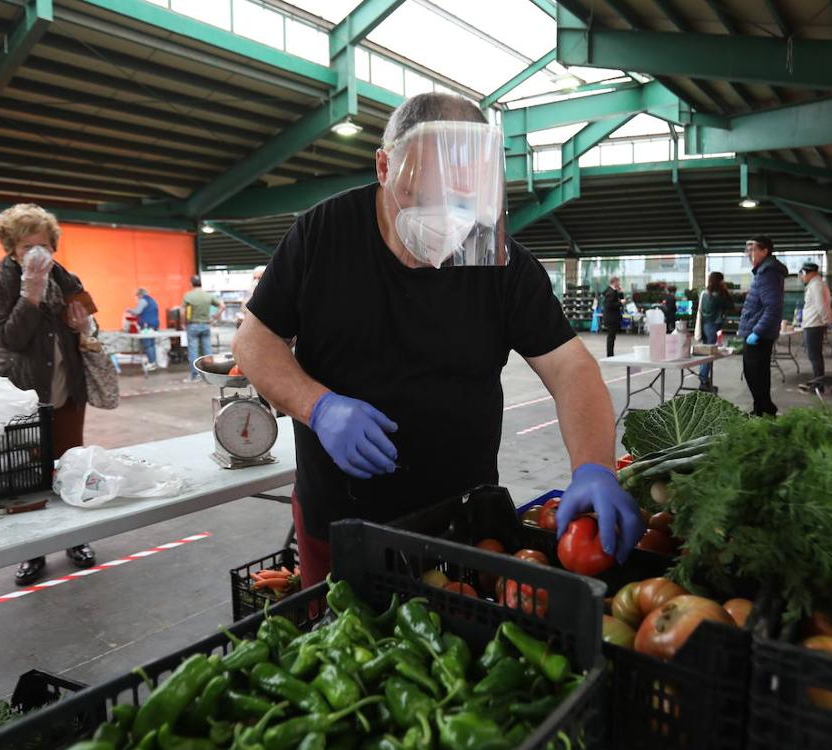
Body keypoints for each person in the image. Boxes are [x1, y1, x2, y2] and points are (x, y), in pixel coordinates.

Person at [234, 92, 644, 587]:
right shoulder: (324, 233)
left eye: (462, 200)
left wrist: (594, 467)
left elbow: (569, 366)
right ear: (385, 166)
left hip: (461, 521)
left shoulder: (498, 259)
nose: (447, 219)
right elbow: (254, 340)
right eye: (425, 195)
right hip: (340, 515)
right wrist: (318, 407)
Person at [0, 203, 97, 585]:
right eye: (27, 246)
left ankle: (76, 539)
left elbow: (91, 322)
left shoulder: (67, 280)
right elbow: (9, 338)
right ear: (12, 250)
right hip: (24, 397)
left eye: (43, 245)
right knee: (29, 475)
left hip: (67, 390)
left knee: (71, 466)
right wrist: (29, 294)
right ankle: (32, 552)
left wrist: (85, 328)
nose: (37, 253)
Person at [737, 235, 788, 417]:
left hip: (759, 335)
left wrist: (757, 332)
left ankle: (764, 412)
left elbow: (773, 307)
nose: (749, 253)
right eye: (748, 249)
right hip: (758, 333)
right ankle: (762, 410)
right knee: (757, 375)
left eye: (753, 249)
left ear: (765, 251)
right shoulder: (765, 271)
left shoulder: (767, 272)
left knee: (756, 375)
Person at [797, 262, 832, 392]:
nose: (802, 278)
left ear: (809, 273)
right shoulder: (817, 284)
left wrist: (826, 320)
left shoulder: (816, 285)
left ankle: (818, 386)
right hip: (814, 324)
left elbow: (821, 306)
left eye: (802, 274)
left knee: (815, 357)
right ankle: (818, 383)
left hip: (814, 325)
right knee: (815, 356)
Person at [182, 275, 225, 382]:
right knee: (207, 351)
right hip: (206, 325)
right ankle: (210, 375)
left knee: (193, 351)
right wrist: (216, 316)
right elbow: (222, 306)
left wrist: (183, 323)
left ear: (191, 284)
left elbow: (182, 311)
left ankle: (195, 376)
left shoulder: (189, 295)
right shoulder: (208, 295)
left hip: (193, 325)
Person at [697, 272, 732, 392]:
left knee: (705, 352)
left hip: (705, 325)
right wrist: (725, 290)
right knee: (709, 353)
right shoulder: (717, 296)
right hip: (713, 326)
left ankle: (704, 379)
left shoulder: (704, 293)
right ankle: (704, 381)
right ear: (719, 281)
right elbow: (730, 305)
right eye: (722, 280)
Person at [127, 288, 159, 372]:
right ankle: (153, 362)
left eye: (137, 296)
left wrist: (129, 310)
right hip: (154, 324)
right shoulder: (152, 300)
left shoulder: (143, 300)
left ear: (140, 295)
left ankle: (151, 363)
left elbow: (137, 311)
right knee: (151, 344)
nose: (137, 298)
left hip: (146, 325)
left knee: (148, 344)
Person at [601, 276, 624, 358]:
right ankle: (610, 354)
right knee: (611, 337)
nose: (619, 283)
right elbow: (610, 305)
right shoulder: (610, 292)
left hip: (611, 317)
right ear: (615, 282)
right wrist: (620, 303)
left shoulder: (611, 291)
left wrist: (620, 292)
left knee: (612, 336)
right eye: (618, 282)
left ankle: (610, 353)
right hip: (611, 318)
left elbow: (619, 299)